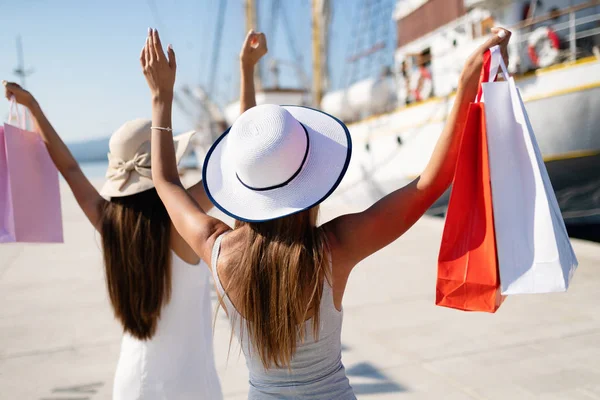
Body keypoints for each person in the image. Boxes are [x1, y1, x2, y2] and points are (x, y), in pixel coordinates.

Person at [141, 27, 511, 399]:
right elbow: (431, 182)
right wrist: (466, 81)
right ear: (310, 180)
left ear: (244, 190)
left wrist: (162, 98)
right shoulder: (333, 248)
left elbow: (167, 182)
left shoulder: (217, 250)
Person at [2, 80, 228, 398]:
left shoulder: (111, 224)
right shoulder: (182, 226)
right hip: (192, 384)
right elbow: (230, 170)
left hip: (134, 381)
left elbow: (69, 169)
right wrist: (246, 72)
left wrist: (33, 107)